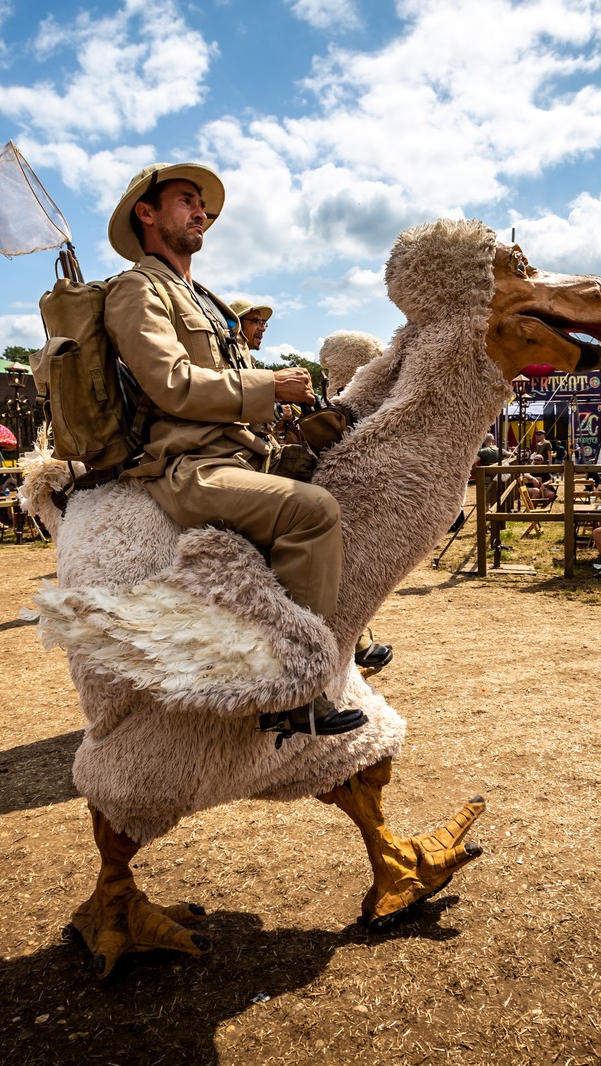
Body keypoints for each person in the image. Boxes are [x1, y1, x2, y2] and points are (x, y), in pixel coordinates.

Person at [101, 161, 362, 741]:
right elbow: (168, 382)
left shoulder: (203, 298)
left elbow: (225, 379)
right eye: (187, 201)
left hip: (244, 455)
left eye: (204, 206)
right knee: (311, 510)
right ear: (147, 213)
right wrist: (269, 387)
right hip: (189, 467)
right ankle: (295, 692)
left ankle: (350, 642)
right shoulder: (136, 290)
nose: (201, 213)